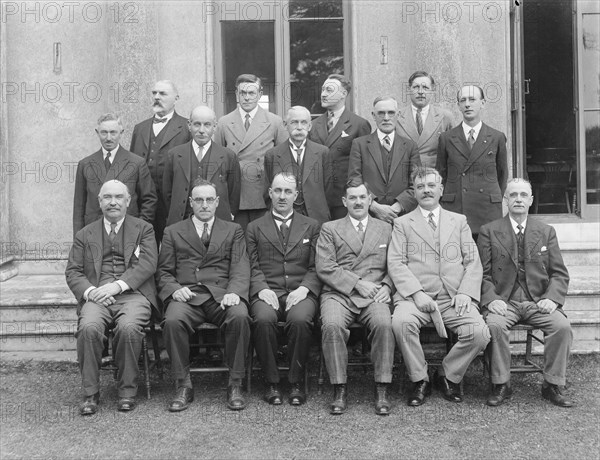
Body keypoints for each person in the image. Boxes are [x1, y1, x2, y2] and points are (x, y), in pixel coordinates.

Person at [388, 167, 490, 406]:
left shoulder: (459, 221)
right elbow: (395, 262)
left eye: (431, 186)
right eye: (421, 186)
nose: (426, 190)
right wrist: (416, 293)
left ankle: (446, 374)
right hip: (414, 298)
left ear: (441, 190)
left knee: (480, 333)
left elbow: (472, 261)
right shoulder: (403, 223)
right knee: (401, 323)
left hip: (452, 297)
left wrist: (465, 292)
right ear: (414, 192)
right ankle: (420, 379)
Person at [66, 180, 159, 415]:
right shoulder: (84, 234)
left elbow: (148, 263)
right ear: (99, 202)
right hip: (97, 297)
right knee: (88, 327)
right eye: (107, 197)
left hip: (133, 294)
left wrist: (116, 287)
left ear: (128, 201)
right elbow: (73, 271)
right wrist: (91, 292)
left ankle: (127, 391)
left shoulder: (143, 229)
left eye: (119, 197)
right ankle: (90, 392)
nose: (113, 202)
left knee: (128, 328)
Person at [478, 178, 573, 407]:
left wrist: (551, 298)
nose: (518, 199)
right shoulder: (489, 231)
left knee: (562, 327)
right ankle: (501, 384)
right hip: (504, 301)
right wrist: (491, 300)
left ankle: (552, 384)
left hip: (537, 301)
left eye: (523, 195)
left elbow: (559, 273)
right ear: (505, 200)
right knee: (494, 326)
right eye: (513, 195)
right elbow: (481, 273)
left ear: (531, 200)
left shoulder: (546, 231)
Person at [157, 179, 251, 412]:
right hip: (188, 295)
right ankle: (183, 384)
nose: (205, 205)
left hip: (221, 295)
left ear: (217, 202)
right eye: (199, 200)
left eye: (209, 199)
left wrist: (234, 292)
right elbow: (163, 272)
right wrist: (174, 289)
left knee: (240, 317)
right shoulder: (173, 232)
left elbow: (240, 266)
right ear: (191, 203)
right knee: (172, 321)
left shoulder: (234, 230)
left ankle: (235, 383)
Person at [316, 181, 395, 416]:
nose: (358, 202)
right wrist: (357, 283)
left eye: (362, 197)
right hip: (339, 293)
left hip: (375, 294)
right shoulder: (330, 228)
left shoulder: (386, 228)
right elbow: (325, 267)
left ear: (370, 200)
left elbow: (397, 263)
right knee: (331, 325)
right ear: (344, 202)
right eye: (352, 198)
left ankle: (382, 387)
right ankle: (339, 387)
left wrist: (388, 287)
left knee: (384, 324)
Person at [246, 173, 321, 406]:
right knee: (263, 319)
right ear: (270, 193)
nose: (282, 196)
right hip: (268, 289)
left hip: (300, 291)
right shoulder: (254, 227)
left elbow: (317, 265)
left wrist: (305, 289)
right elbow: (250, 264)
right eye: (277, 191)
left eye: (288, 192)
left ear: (296, 196)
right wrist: (260, 288)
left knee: (300, 320)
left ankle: (296, 380)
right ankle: (271, 381)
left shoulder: (312, 226)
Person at [214, 74, 288, 230]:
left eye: (251, 93)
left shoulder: (274, 121)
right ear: (236, 94)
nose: (247, 98)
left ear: (260, 94)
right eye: (243, 93)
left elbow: (283, 160)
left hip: (263, 196)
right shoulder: (224, 122)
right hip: (235, 195)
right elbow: (218, 160)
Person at [436, 85, 508, 240]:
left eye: (472, 99)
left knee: (487, 257)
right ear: (458, 106)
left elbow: (502, 174)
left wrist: (493, 199)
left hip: (486, 209)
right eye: (463, 100)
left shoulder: (496, 137)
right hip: (456, 207)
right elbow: (441, 174)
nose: (467, 104)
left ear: (482, 103)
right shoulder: (447, 138)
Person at [73, 113, 157, 236]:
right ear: (97, 132)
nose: (108, 138)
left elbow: (149, 200)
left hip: (127, 232)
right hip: (94, 233)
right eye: (104, 132)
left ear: (121, 132)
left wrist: (138, 229)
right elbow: (79, 207)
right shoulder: (85, 164)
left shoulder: (137, 163)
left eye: (113, 132)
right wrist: (79, 239)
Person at [130, 80, 191, 244]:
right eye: (154, 93)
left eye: (163, 94)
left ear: (176, 98)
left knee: (173, 245)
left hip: (172, 201)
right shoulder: (140, 128)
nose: (157, 97)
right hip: (144, 201)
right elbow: (131, 165)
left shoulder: (187, 127)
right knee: (143, 245)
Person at [348, 96, 421, 224]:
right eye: (381, 113)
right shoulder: (359, 144)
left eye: (391, 113)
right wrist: (375, 207)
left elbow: (416, 183)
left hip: (402, 217)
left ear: (398, 115)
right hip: (369, 216)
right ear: (373, 115)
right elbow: (354, 180)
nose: (386, 118)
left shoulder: (410, 146)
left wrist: (396, 208)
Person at [163, 105, 241, 225]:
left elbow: (234, 193)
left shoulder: (228, 156)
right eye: (197, 124)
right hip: (182, 223)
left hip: (218, 224)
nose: (201, 130)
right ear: (189, 125)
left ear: (214, 127)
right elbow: (167, 193)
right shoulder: (174, 155)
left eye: (207, 125)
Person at [309, 74, 372, 220]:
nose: (323, 94)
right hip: (317, 198)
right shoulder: (313, 124)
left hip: (344, 201)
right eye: (323, 89)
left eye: (329, 90)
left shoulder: (359, 124)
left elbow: (366, 166)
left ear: (343, 94)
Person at [264, 106, 331, 224]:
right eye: (294, 122)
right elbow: (267, 190)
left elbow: (329, 187)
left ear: (309, 126)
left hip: (316, 216)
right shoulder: (273, 155)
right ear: (285, 125)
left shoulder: (322, 152)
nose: (299, 127)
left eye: (304, 123)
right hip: (284, 218)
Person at [396, 71, 454, 168]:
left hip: (434, 176)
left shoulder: (445, 117)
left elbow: (453, 151)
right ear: (408, 89)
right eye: (416, 87)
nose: (420, 92)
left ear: (432, 90)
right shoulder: (397, 117)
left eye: (425, 88)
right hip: (404, 175)